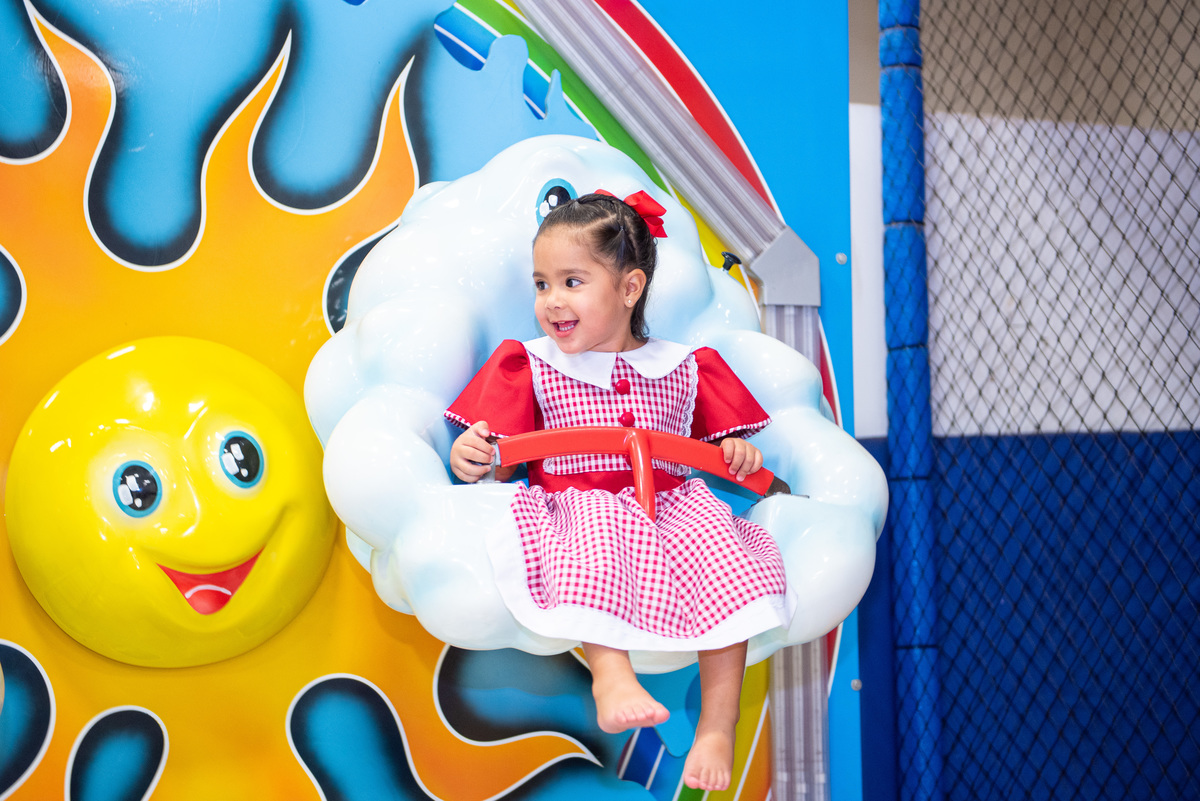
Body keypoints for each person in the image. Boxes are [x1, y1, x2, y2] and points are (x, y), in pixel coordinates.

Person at [445, 190, 790, 792]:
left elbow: (724, 449)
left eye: (572, 282)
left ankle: (718, 724)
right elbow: (496, 456)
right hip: (579, 503)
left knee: (728, 561)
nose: (552, 300)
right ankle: (612, 676)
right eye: (541, 284)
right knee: (601, 535)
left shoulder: (685, 366)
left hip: (673, 508)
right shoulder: (530, 364)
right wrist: (471, 454)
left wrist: (739, 452)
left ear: (630, 288)